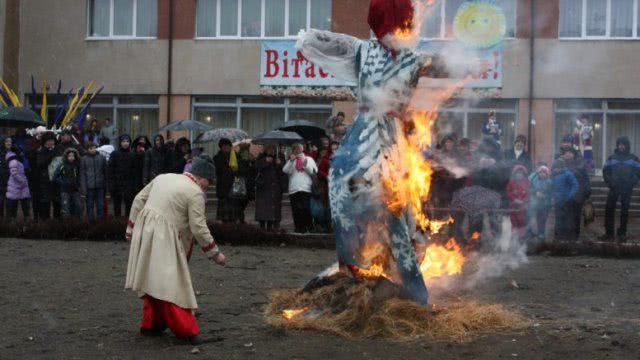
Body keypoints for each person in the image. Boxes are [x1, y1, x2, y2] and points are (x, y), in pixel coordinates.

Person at [125, 155, 226, 345]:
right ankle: (187, 331)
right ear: (201, 176)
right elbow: (199, 227)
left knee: (153, 278)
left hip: (146, 233)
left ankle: (151, 324)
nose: (208, 186)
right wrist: (215, 253)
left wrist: (131, 228)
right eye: (209, 181)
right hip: (165, 239)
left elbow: (139, 200)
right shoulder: (195, 192)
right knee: (173, 285)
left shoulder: (163, 177)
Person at [601, 136, 640, 242]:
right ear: (617, 145)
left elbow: (638, 172)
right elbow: (605, 171)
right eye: (620, 144)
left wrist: (632, 183)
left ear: (627, 145)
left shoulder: (633, 158)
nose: (621, 146)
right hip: (614, 187)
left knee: (624, 211)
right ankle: (609, 233)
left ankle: (622, 233)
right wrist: (610, 183)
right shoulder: (612, 158)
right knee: (609, 209)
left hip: (627, 188)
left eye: (623, 144)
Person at [283, 143, 317, 233]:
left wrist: (305, 164)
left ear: (302, 150)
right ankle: (298, 227)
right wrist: (290, 161)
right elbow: (285, 170)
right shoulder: (291, 160)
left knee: (306, 208)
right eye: (295, 149)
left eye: (299, 149)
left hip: (305, 188)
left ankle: (309, 226)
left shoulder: (308, 159)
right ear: (293, 151)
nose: (298, 151)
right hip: (294, 188)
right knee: (296, 209)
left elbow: (313, 171)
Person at [254, 145, 284, 231]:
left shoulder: (280, 157)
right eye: (270, 148)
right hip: (263, 187)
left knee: (273, 209)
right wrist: (265, 161)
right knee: (262, 208)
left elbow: (283, 173)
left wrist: (280, 164)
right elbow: (256, 168)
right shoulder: (261, 157)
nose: (271, 151)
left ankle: (271, 227)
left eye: (273, 149)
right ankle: (262, 226)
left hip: (275, 188)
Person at [108, 134, 136, 217]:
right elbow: (110, 171)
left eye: (127, 141)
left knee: (129, 206)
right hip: (117, 184)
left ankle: (127, 224)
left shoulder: (132, 155)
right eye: (123, 141)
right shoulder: (114, 154)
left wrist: (133, 186)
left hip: (128, 185)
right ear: (120, 142)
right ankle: (117, 224)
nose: (125, 143)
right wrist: (111, 185)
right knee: (117, 207)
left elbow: (134, 172)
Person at [552, 159, 579, 242]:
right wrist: (553, 196)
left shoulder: (568, 174)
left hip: (567, 201)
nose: (555, 169)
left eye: (556, 168)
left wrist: (570, 196)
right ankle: (558, 237)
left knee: (568, 220)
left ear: (560, 167)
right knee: (558, 219)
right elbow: (552, 187)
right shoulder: (555, 176)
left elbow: (575, 185)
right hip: (558, 201)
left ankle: (569, 237)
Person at [80, 142, 107, 222]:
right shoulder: (84, 159)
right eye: (90, 148)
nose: (93, 150)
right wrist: (83, 188)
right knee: (89, 205)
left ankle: (100, 222)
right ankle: (90, 222)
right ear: (87, 149)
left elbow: (105, 172)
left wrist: (105, 185)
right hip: (89, 187)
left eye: (94, 148)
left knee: (100, 205)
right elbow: (82, 174)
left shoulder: (102, 157)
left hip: (100, 186)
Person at [36, 133, 61, 220]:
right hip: (45, 180)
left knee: (57, 202)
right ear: (44, 142)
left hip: (57, 179)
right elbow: (40, 165)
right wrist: (50, 156)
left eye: (52, 140)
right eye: (48, 141)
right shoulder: (41, 151)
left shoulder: (58, 150)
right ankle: (45, 223)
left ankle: (57, 221)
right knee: (46, 202)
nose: (50, 142)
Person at [527, 164, 553, 242]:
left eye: (544, 173)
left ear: (547, 174)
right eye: (540, 172)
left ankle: (541, 233)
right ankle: (530, 232)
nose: (542, 174)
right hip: (534, 203)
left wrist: (545, 196)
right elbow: (529, 189)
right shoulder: (534, 181)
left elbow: (551, 193)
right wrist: (535, 193)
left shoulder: (549, 182)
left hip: (545, 204)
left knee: (542, 219)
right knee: (531, 218)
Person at [55, 148, 83, 217]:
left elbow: (81, 175)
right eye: (69, 156)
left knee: (78, 207)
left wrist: (78, 183)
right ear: (66, 157)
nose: (71, 158)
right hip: (65, 190)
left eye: (73, 156)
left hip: (75, 190)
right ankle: (67, 224)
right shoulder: (62, 165)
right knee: (65, 208)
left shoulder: (78, 165)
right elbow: (55, 176)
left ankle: (77, 223)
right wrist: (63, 182)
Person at [5, 145, 31, 219]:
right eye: (21, 151)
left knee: (24, 204)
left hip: (20, 186)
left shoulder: (17, 159)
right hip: (16, 185)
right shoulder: (13, 161)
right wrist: (22, 181)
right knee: (14, 205)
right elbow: (14, 174)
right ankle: (13, 222)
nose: (22, 153)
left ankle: (25, 222)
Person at [213, 138, 234, 223]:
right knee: (224, 215)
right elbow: (217, 170)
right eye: (224, 146)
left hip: (233, 186)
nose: (226, 148)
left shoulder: (234, 156)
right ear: (221, 147)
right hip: (222, 187)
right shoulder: (217, 157)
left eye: (228, 146)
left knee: (233, 214)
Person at [506, 164, 529, 238]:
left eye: (521, 173)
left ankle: (522, 237)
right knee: (514, 221)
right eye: (517, 173)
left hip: (523, 207)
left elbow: (529, 193)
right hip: (513, 206)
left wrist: (524, 201)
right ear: (514, 174)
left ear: (524, 174)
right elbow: (508, 192)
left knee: (522, 222)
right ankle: (514, 237)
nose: (519, 175)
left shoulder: (527, 183)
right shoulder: (511, 183)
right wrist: (514, 199)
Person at [0, 136, 12, 217]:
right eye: (7, 141)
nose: (9, 143)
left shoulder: (13, 152)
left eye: (10, 142)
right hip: (1, 179)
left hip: (10, 179)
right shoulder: (1, 153)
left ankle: (9, 217)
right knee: (1, 199)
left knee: (9, 200)